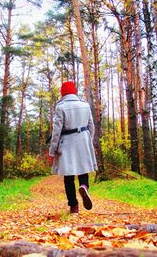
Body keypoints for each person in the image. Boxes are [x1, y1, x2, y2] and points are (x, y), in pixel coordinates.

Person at [49, 81, 97, 214]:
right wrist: (88, 140)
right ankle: (83, 186)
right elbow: (91, 126)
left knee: (68, 176)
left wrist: (52, 150)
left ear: (62, 93)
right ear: (74, 91)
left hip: (67, 142)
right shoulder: (85, 105)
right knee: (83, 170)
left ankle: (74, 207)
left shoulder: (61, 107)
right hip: (83, 139)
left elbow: (56, 131)